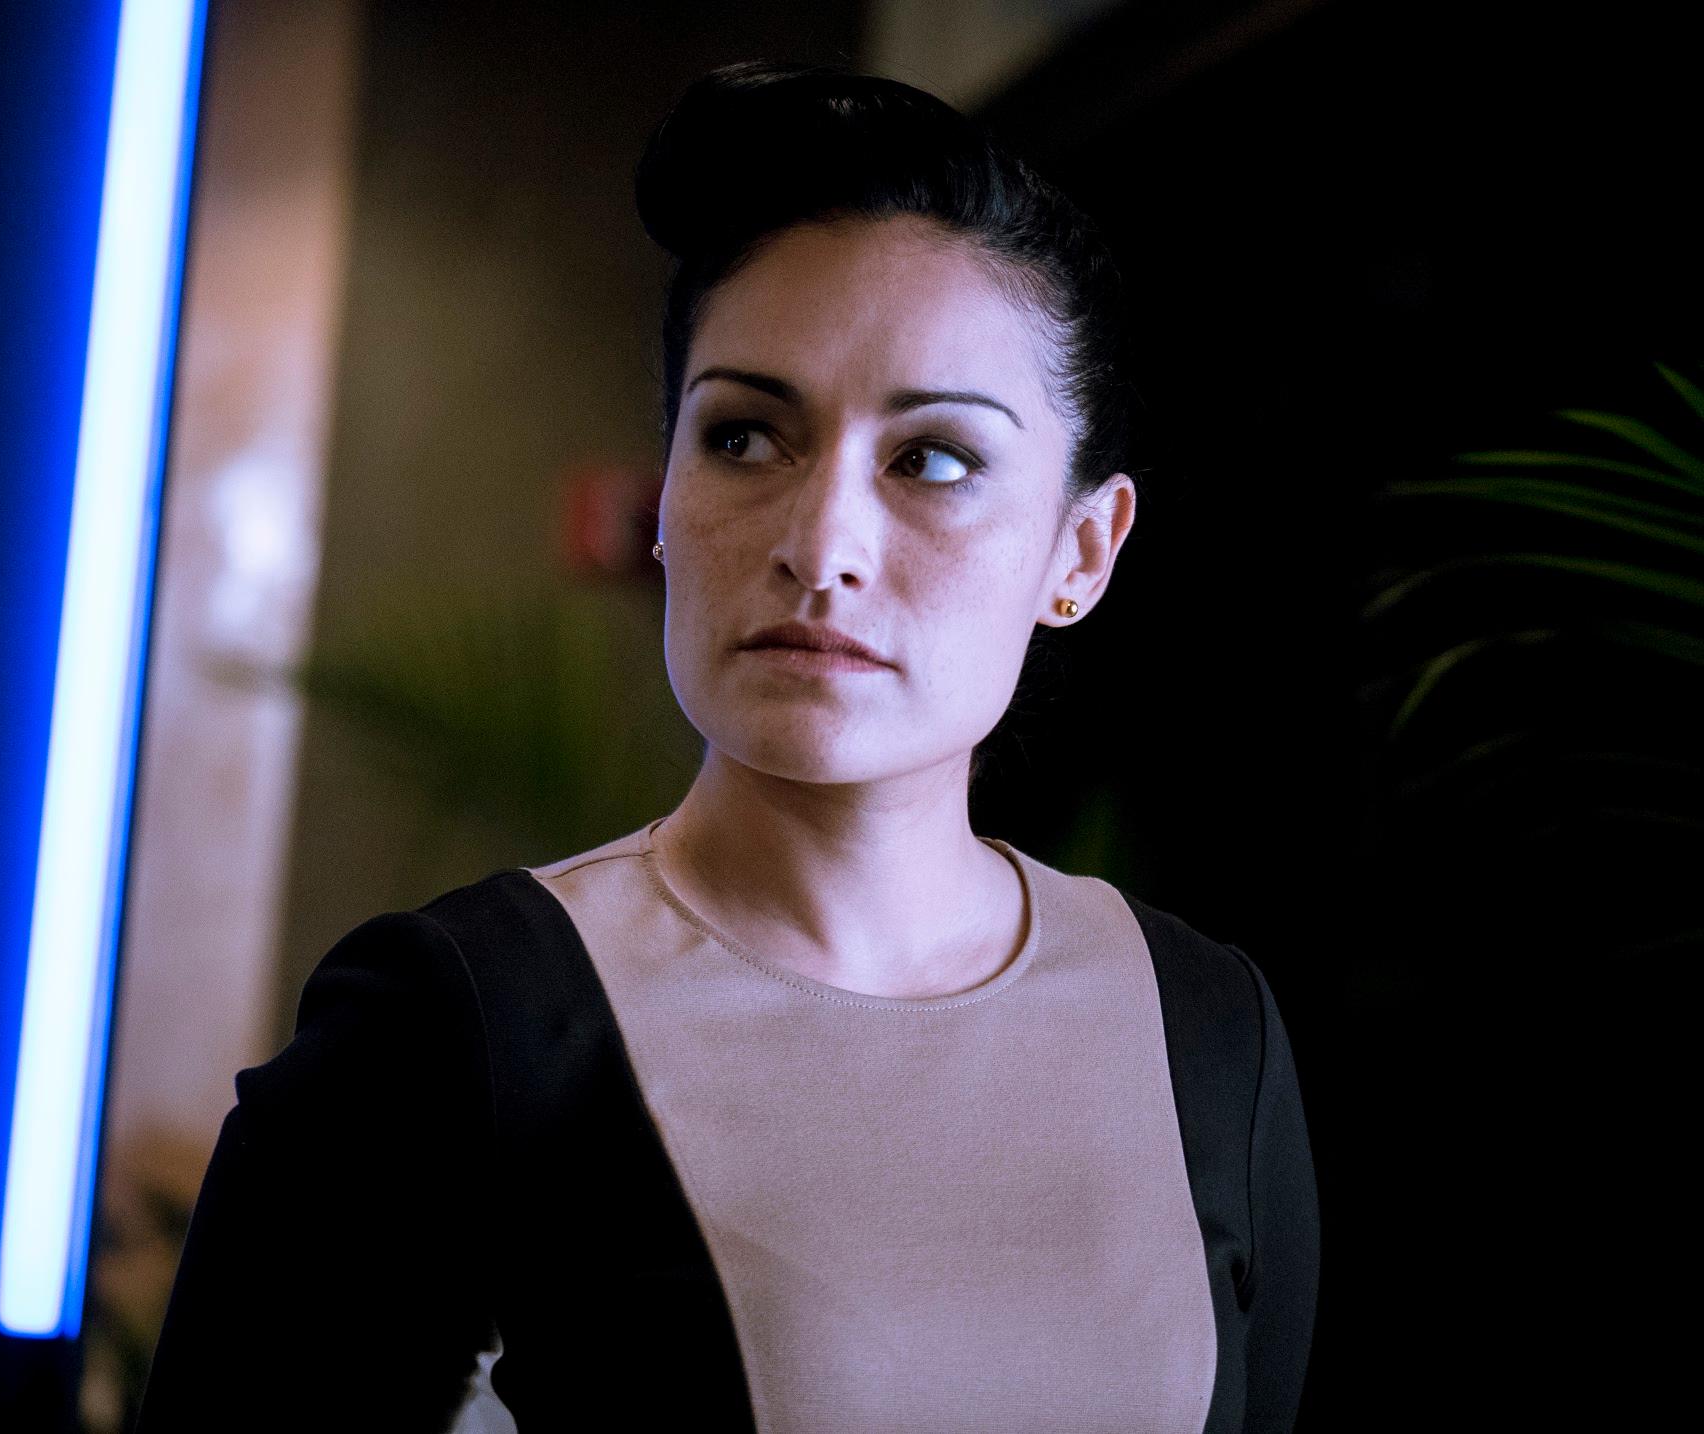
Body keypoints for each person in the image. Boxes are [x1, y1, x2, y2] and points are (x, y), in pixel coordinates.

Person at [135, 59, 1319, 1434]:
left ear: (1083, 549)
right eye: (747, 437)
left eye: (932, 458)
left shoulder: (1205, 1032)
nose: (821, 546)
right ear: (666, 494)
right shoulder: (456, 1027)